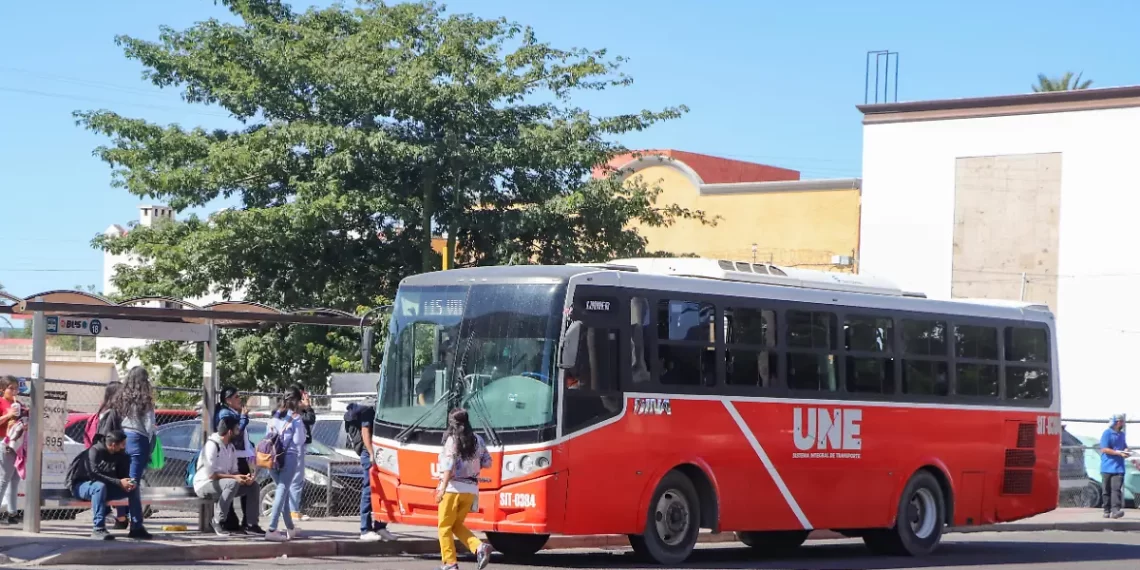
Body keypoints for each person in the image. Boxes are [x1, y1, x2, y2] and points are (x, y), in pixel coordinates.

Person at [434, 409, 492, 570]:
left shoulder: (452, 440)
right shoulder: (478, 440)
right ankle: (479, 547)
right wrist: (471, 466)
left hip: (452, 489)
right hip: (470, 490)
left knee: (444, 527)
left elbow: (448, 466)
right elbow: (487, 462)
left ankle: (450, 563)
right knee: (456, 525)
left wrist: (442, 489)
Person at [65, 429, 141, 541]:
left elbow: (122, 476)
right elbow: (93, 474)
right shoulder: (95, 451)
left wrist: (128, 482)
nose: (124, 447)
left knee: (133, 488)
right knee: (99, 487)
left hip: (105, 487)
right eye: (122, 444)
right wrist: (119, 482)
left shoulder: (121, 455)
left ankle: (136, 528)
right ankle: (98, 529)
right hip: (81, 486)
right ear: (113, 445)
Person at [106, 366, 155, 539]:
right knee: (133, 484)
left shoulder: (121, 398)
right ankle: (136, 526)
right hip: (138, 441)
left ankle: (121, 516)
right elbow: (149, 427)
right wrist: (150, 447)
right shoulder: (145, 400)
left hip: (122, 440)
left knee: (124, 480)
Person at [195, 416, 260, 537]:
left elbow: (234, 471)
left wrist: (243, 478)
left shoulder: (231, 447)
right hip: (204, 484)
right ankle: (217, 521)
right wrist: (234, 478)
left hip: (223, 484)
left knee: (253, 486)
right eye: (237, 429)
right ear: (230, 432)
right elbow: (211, 475)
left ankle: (251, 524)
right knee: (232, 483)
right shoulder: (212, 445)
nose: (239, 432)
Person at [213, 386, 262, 534]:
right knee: (237, 486)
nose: (239, 400)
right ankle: (230, 521)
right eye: (236, 397)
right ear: (228, 400)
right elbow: (235, 433)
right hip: (236, 456)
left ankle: (249, 522)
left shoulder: (232, 412)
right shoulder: (225, 414)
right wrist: (244, 417)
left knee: (250, 486)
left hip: (241, 455)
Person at [344, 400, 395, 542]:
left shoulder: (385, 409)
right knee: (369, 490)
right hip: (370, 453)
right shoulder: (369, 410)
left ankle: (380, 526)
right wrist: (372, 453)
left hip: (382, 451)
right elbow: (365, 432)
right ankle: (365, 529)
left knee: (385, 490)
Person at [264, 396, 304, 542]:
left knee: (283, 493)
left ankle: (290, 528)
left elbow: (266, 437)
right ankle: (272, 529)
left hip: (271, 459)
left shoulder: (272, 420)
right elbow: (299, 441)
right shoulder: (295, 419)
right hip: (288, 457)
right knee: (282, 490)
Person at [89, 381, 129, 528]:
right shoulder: (113, 413)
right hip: (111, 452)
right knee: (118, 481)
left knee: (113, 482)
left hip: (107, 452)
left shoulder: (103, 411)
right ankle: (120, 517)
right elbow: (108, 434)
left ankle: (118, 517)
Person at [288, 383, 315, 523]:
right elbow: (310, 419)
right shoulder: (294, 411)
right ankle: (293, 511)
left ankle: (292, 510)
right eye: (302, 393)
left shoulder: (292, 410)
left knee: (293, 480)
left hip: (293, 447)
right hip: (294, 448)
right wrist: (307, 407)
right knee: (296, 480)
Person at [0, 376, 21, 525]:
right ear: (2, 389)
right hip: (4, 442)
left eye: (16, 388)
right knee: (4, 478)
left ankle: (12, 513)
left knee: (15, 479)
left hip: (16, 443)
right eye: (11, 388)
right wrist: (8, 415)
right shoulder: (1, 402)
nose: (14, 391)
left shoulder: (17, 403)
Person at [1100, 413, 1130, 519]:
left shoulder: (1122, 434)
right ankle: (1106, 510)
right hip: (1107, 467)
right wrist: (1118, 453)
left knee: (1116, 490)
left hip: (1119, 467)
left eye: (1122, 421)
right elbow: (1104, 449)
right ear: (1115, 422)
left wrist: (1126, 450)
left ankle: (1115, 511)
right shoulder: (1107, 433)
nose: (1121, 423)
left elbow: (1124, 446)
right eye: (1119, 421)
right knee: (1106, 490)